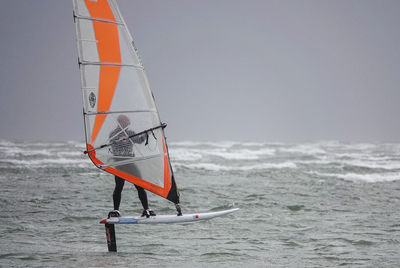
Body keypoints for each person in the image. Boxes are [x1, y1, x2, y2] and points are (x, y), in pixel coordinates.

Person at [108, 114, 156, 218]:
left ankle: (146, 209)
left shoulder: (130, 133)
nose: (128, 124)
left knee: (139, 185)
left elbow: (139, 140)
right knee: (119, 186)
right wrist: (121, 139)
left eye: (128, 122)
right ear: (120, 122)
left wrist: (146, 134)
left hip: (130, 162)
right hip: (120, 162)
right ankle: (116, 210)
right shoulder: (113, 134)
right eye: (126, 122)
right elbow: (112, 141)